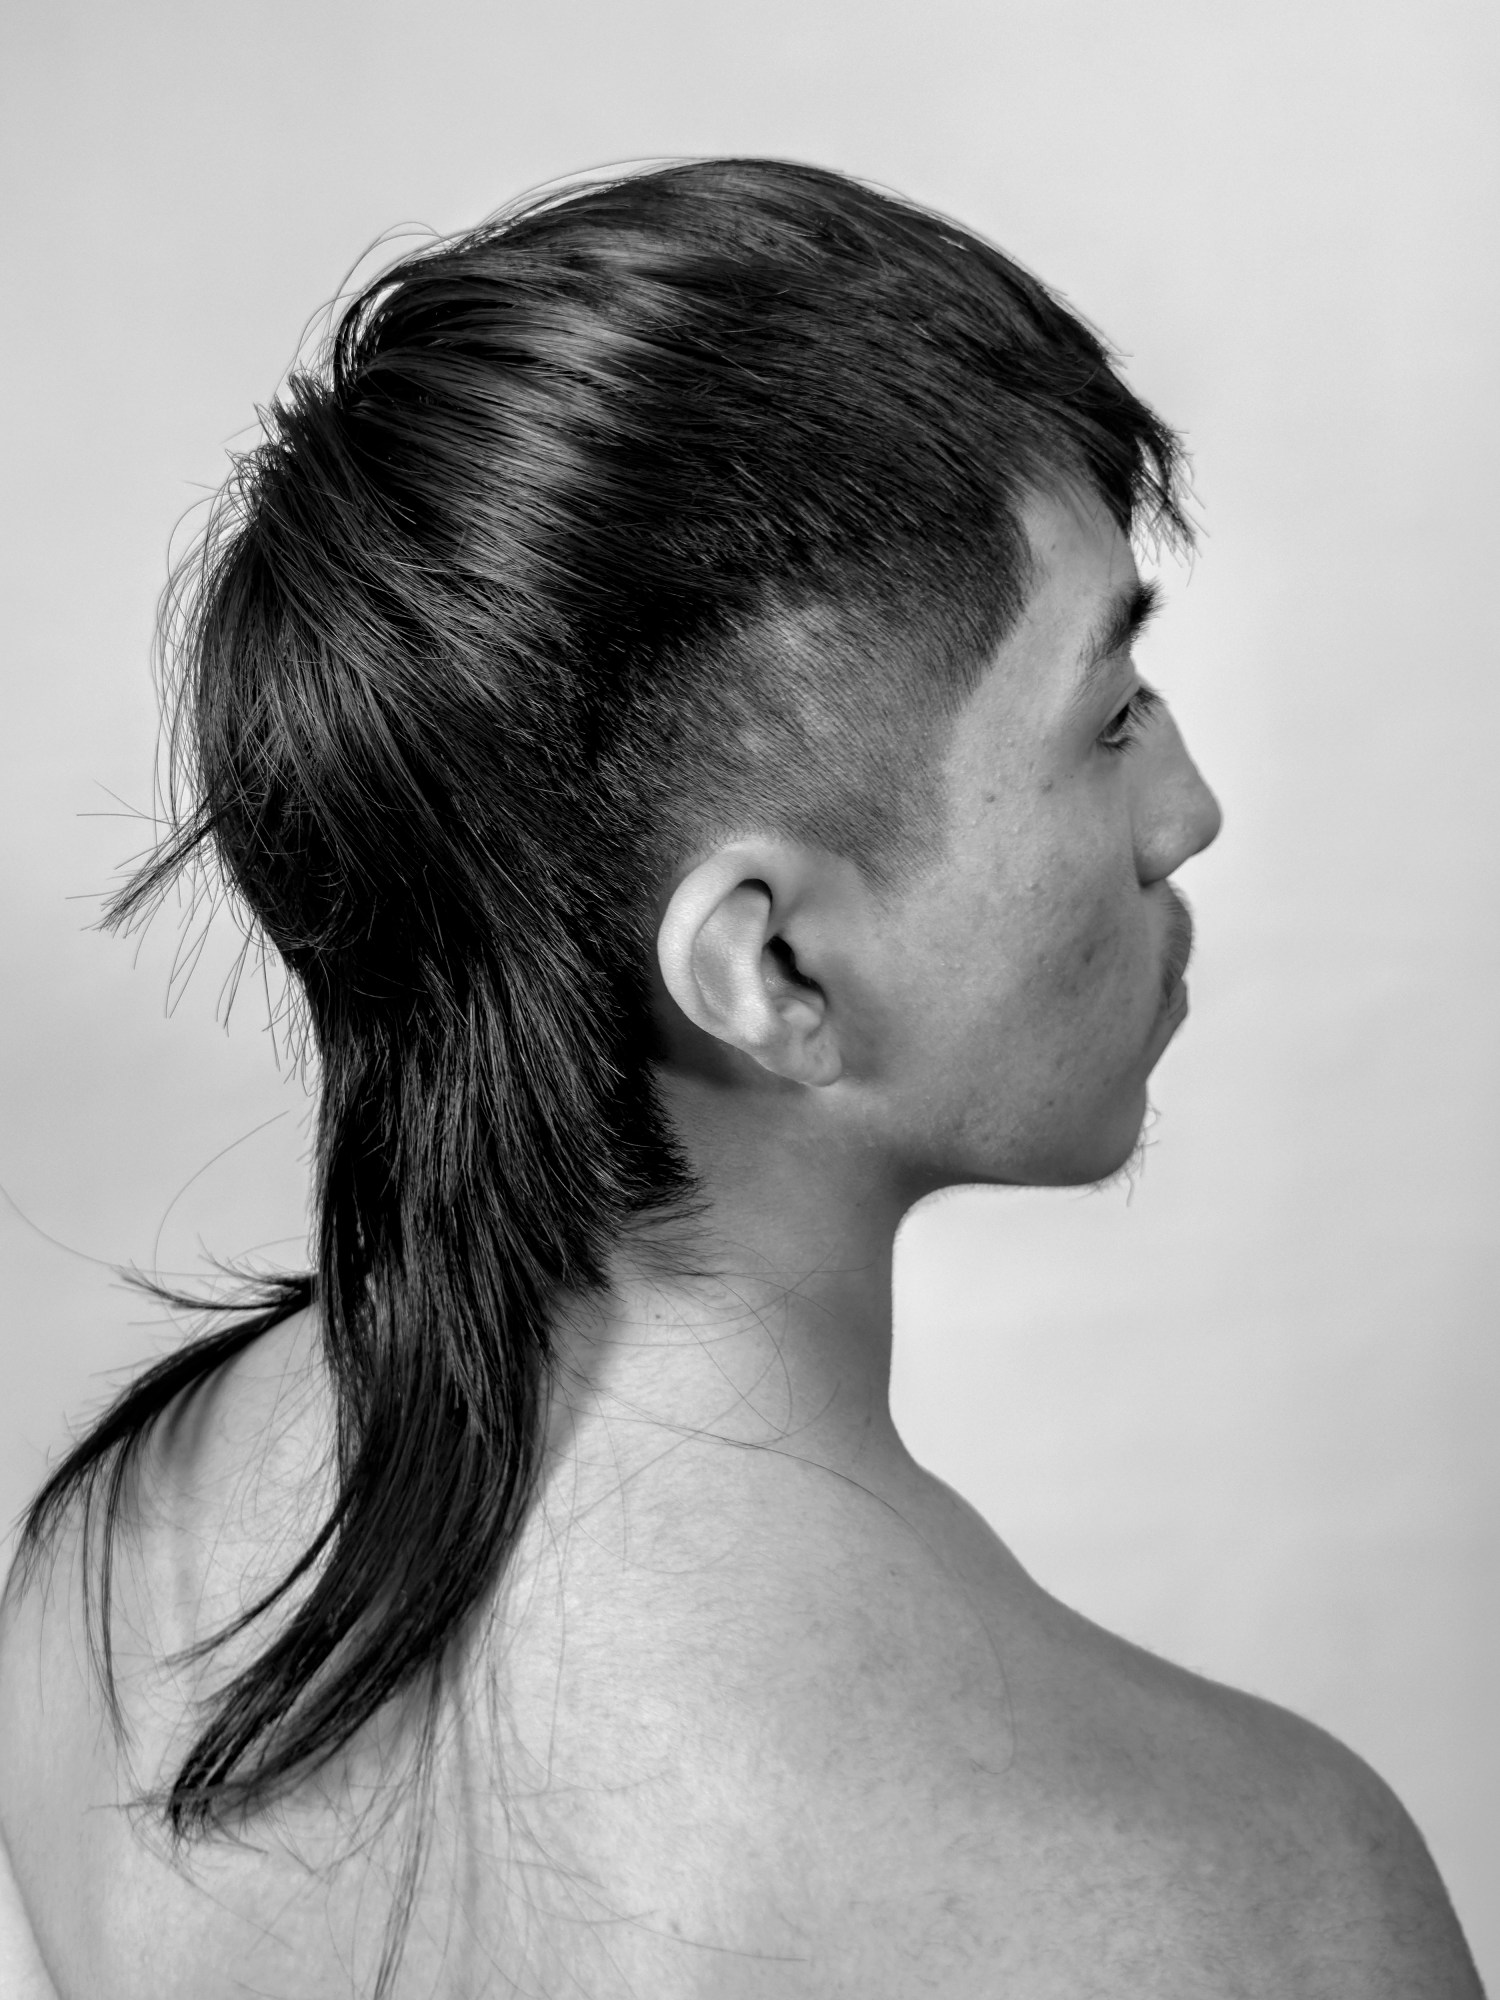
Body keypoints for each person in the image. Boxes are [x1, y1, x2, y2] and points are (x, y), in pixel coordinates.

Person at [0, 158, 1482, 2000]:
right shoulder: (1236, 1900)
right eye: (1107, 718)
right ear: (769, 964)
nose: (1186, 812)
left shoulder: (103, 1575)